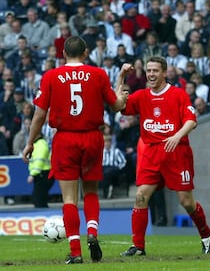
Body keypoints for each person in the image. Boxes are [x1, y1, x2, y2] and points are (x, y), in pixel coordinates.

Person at [22, 36, 129, 264]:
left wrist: (30, 142)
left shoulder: (51, 76)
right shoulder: (98, 74)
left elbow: (40, 114)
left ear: (63, 54)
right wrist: (121, 88)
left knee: (69, 198)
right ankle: (92, 231)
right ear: (86, 52)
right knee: (90, 191)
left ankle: (75, 251)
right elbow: (117, 105)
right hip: (92, 137)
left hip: (65, 140)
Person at [117, 57, 210, 256]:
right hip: (151, 153)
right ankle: (138, 246)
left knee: (186, 202)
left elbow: (191, 121)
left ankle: (206, 235)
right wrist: (120, 77)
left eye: (155, 70)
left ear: (164, 73)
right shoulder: (142, 96)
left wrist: (177, 136)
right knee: (141, 196)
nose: (151, 74)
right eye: (148, 70)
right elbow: (117, 105)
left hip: (176, 152)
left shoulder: (178, 94)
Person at [27, 132, 54, 208]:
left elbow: (39, 161)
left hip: (43, 175)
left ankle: (43, 216)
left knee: (38, 199)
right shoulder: (37, 144)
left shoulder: (41, 145)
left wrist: (32, 174)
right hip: (41, 175)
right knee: (40, 199)